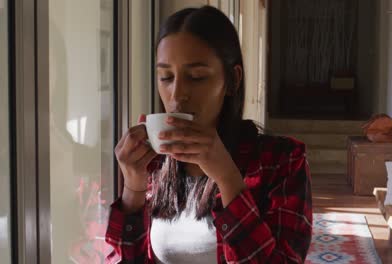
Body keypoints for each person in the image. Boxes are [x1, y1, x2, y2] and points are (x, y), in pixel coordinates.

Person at [105, 5, 312, 264]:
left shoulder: (281, 161)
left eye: (197, 77)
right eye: (166, 77)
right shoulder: (152, 165)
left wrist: (227, 178)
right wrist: (133, 190)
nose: (177, 94)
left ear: (232, 80)